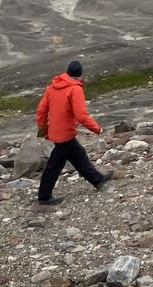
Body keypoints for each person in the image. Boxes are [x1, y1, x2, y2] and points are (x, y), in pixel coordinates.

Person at [35, 60, 110, 206]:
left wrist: (43, 129)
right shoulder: (75, 89)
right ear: (80, 73)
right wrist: (97, 129)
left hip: (55, 131)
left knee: (78, 155)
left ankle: (97, 179)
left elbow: (41, 110)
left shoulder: (53, 86)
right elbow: (81, 116)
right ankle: (44, 196)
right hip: (65, 133)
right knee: (54, 165)